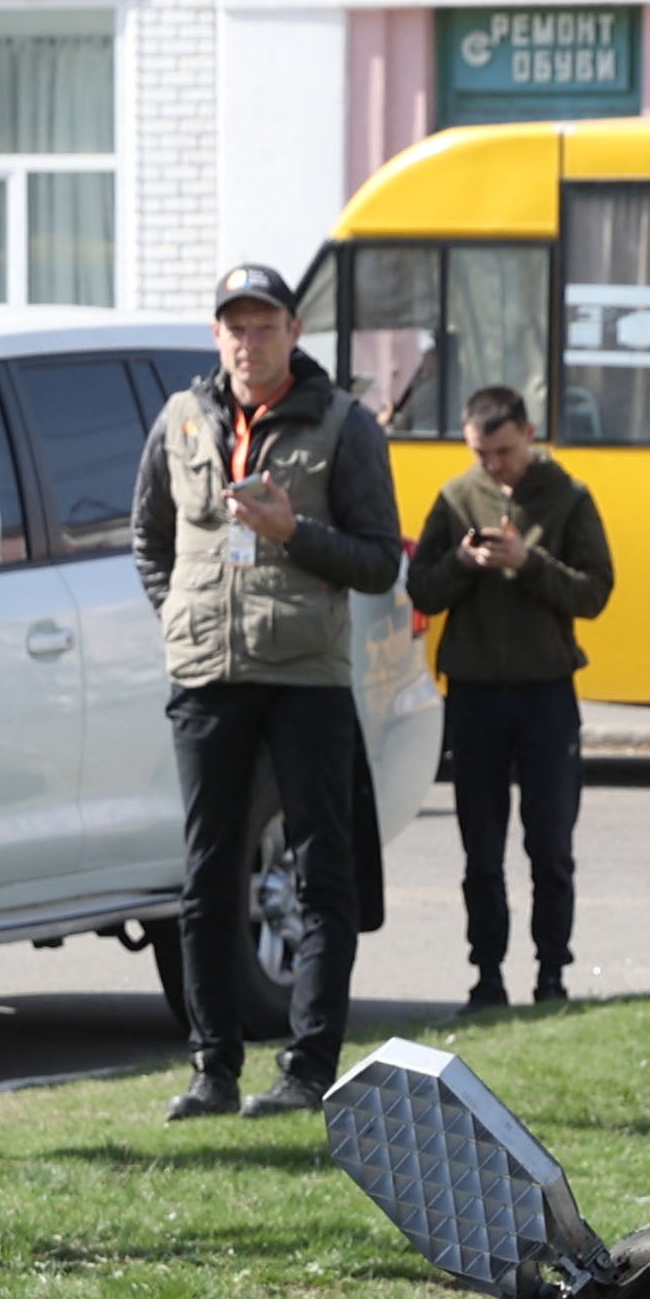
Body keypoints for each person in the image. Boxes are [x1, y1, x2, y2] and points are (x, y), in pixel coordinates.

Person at [131, 264, 404, 1119]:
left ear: (292, 331)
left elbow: (379, 559)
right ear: (217, 336)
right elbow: (151, 538)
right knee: (208, 872)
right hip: (207, 674)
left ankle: (308, 1066)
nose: (248, 344)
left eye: (264, 327)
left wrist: (295, 532)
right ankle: (212, 1066)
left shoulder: (342, 423)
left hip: (304, 677)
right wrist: (179, 614)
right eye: (234, 328)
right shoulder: (182, 420)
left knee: (322, 868)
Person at [405, 385, 612, 1009]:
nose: (491, 466)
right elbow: (422, 591)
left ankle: (552, 973)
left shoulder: (570, 498)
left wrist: (527, 560)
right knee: (481, 849)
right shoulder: (455, 497)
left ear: (527, 432)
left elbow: (594, 593)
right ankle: (486, 974)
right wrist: (464, 564)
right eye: (479, 453)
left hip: (545, 693)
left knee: (549, 845)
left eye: (500, 451)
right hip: (473, 694)